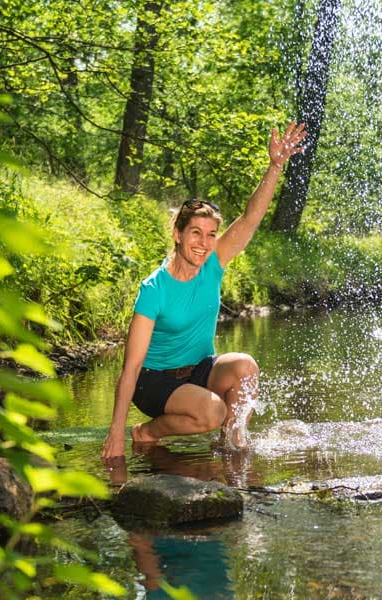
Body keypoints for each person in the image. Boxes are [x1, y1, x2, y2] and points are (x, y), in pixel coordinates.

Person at [101, 122, 307, 458]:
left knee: (246, 367)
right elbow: (131, 368)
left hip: (199, 368)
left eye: (211, 235)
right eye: (196, 233)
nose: (204, 243)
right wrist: (115, 433)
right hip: (153, 381)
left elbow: (251, 218)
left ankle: (233, 447)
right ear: (178, 234)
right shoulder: (154, 289)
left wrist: (275, 166)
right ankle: (146, 432)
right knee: (213, 411)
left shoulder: (212, 264)